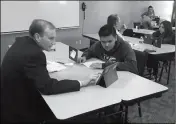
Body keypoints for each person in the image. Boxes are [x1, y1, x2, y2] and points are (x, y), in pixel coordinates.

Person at [1, 19, 100, 123]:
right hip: (17, 108)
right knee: (64, 106)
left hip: (8, 96)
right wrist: (82, 82)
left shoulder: (22, 42)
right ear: (37, 37)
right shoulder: (34, 54)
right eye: (51, 38)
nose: (54, 42)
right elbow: (47, 87)